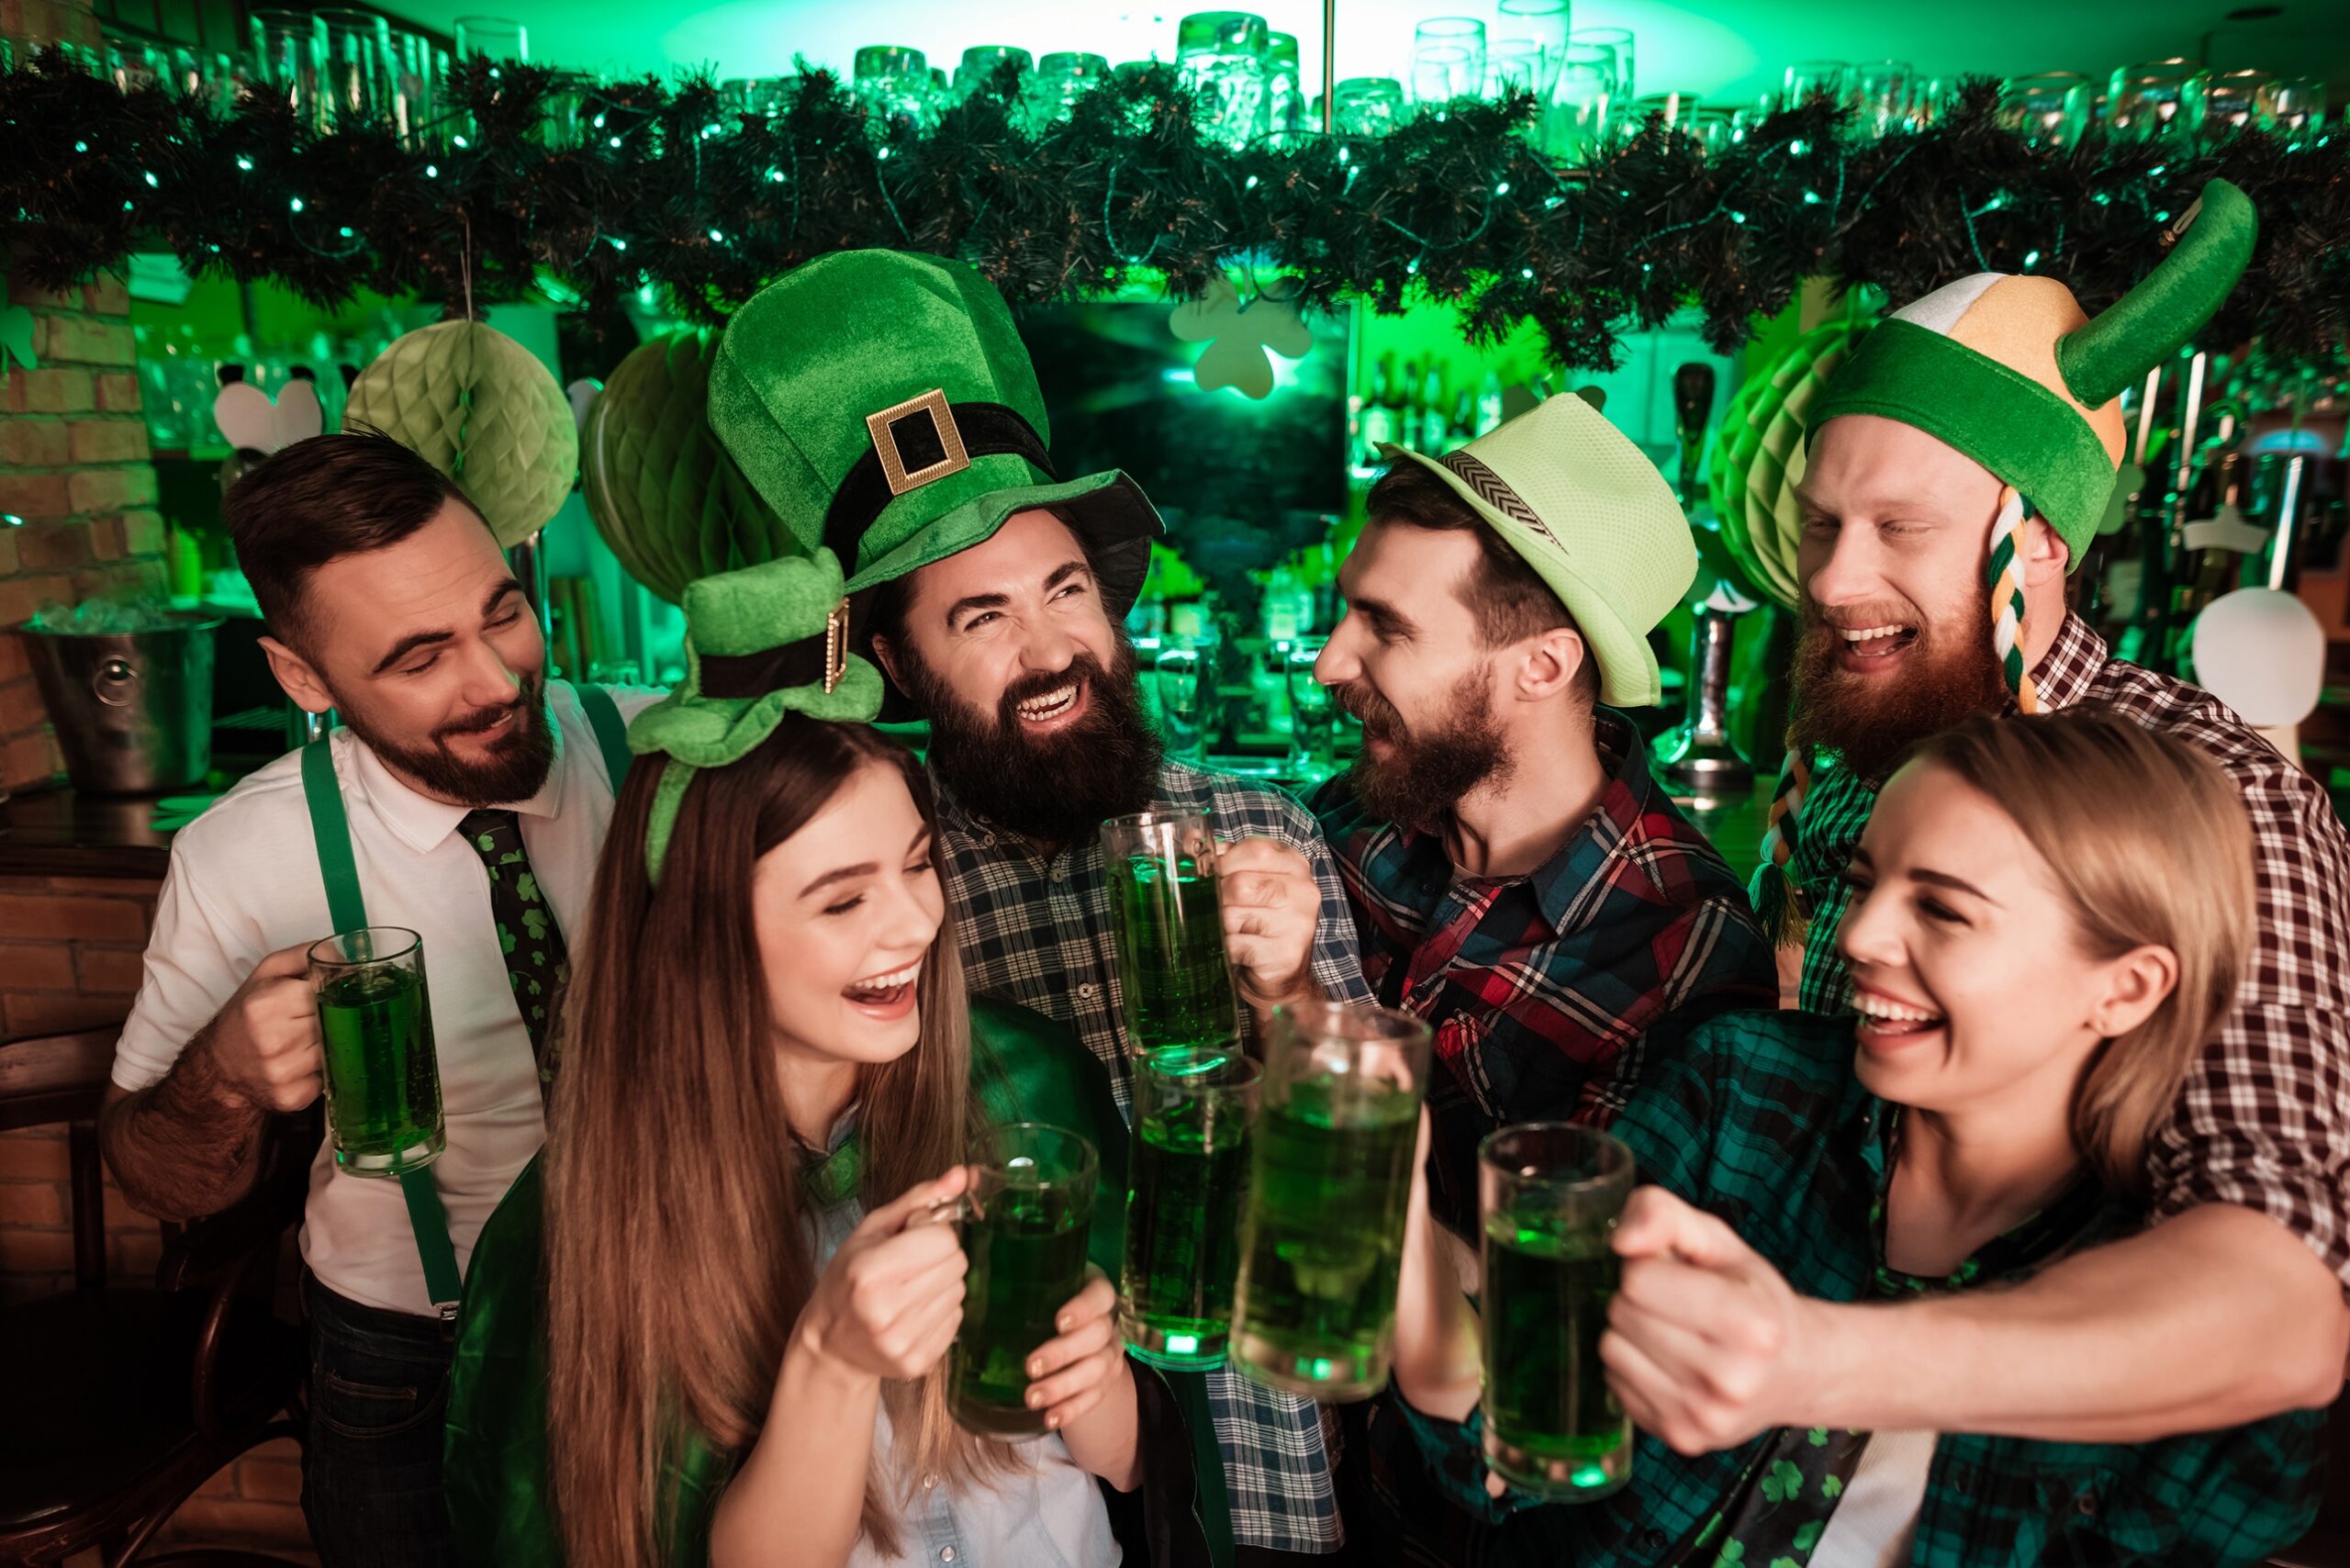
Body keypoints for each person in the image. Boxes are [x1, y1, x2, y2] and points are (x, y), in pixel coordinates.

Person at [706, 250, 1372, 1562]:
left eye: (1068, 591)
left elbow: (1352, 1230)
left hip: (1258, 1464)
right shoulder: (893, 895)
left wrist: (1292, 1000)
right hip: (999, 1481)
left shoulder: (1258, 832)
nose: (1051, 648)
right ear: (896, 655)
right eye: (983, 618)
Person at [1385, 710, 2323, 1566]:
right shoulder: (1744, 1085)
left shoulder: (2178, 1304)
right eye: (1864, 882)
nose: (1861, 936)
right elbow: (1517, 1449)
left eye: (1944, 909)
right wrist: (1396, 1213)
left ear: (2123, 986)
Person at [1729, 175, 2348, 1448]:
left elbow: (2280, 1282)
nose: (1836, 579)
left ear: (2043, 542)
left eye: (1901, 528)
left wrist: (1837, 1365)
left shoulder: (2218, 801)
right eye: (1823, 525)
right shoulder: (1871, 738)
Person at [444, 551, 1210, 1568]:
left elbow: (1132, 1473)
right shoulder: (576, 1223)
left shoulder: (1027, 1084)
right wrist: (831, 1361)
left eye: (917, 865)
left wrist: (1100, 1380)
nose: (913, 925)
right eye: (842, 899)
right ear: (704, 932)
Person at [94, 431, 653, 1566]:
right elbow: (150, 1171)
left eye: (503, 610)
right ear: (304, 678)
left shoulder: (647, 748)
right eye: (419, 656)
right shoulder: (240, 856)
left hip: (667, 1298)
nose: (498, 680)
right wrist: (225, 1078)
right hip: (408, 1359)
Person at [1313, 390, 1777, 1242]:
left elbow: (1569, 1304)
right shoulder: (1357, 813)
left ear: (1543, 666)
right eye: (1348, 609)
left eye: (1386, 626)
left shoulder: (1682, 950)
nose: (1327, 661)